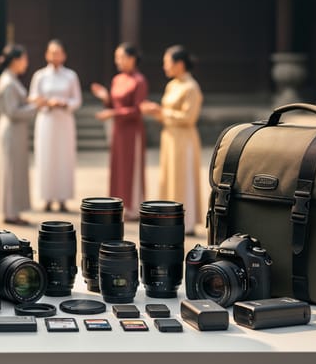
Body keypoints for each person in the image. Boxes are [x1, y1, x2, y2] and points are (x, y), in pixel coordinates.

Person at [141, 45, 203, 235]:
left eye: (167, 63)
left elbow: (189, 117)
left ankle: (188, 221)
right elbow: (167, 113)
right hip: (169, 136)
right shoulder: (172, 85)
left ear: (180, 64)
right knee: (169, 178)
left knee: (183, 178)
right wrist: (156, 112)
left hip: (184, 138)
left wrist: (162, 111)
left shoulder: (191, 87)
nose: (164, 67)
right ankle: (170, 218)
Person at [91, 43, 148, 220]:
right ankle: (118, 204)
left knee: (131, 168)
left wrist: (112, 113)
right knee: (118, 167)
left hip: (132, 130)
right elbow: (113, 104)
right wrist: (105, 98)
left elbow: (138, 109)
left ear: (132, 58)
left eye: (121, 57)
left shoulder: (139, 81)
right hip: (118, 129)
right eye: (116, 58)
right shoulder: (117, 79)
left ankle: (133, 206)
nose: (118, 61)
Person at [29, 39, 82, 213]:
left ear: (64, 55)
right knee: (46, 158)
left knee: (64, 159)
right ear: (46, 55)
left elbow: (77, 100)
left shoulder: (71, 76)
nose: (55, 56)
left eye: (58, 52)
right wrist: (46, 102)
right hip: (47, 121)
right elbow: (33, 97)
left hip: (64, 121)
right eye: (51, 52)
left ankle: (63, 198)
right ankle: (47, 198)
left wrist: (64, 103)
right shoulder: (40, 75)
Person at [0, 44, 43, 226]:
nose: (26, 63)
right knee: (11, 171)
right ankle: (10, 212)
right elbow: (12, 111)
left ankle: (12, 210)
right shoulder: (7, 81)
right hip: (11, 130)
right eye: (24, 59)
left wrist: (30, 102)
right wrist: (36, 107)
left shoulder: (11, 79)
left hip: (15, 131)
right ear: (15, 60)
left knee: (14, 170)